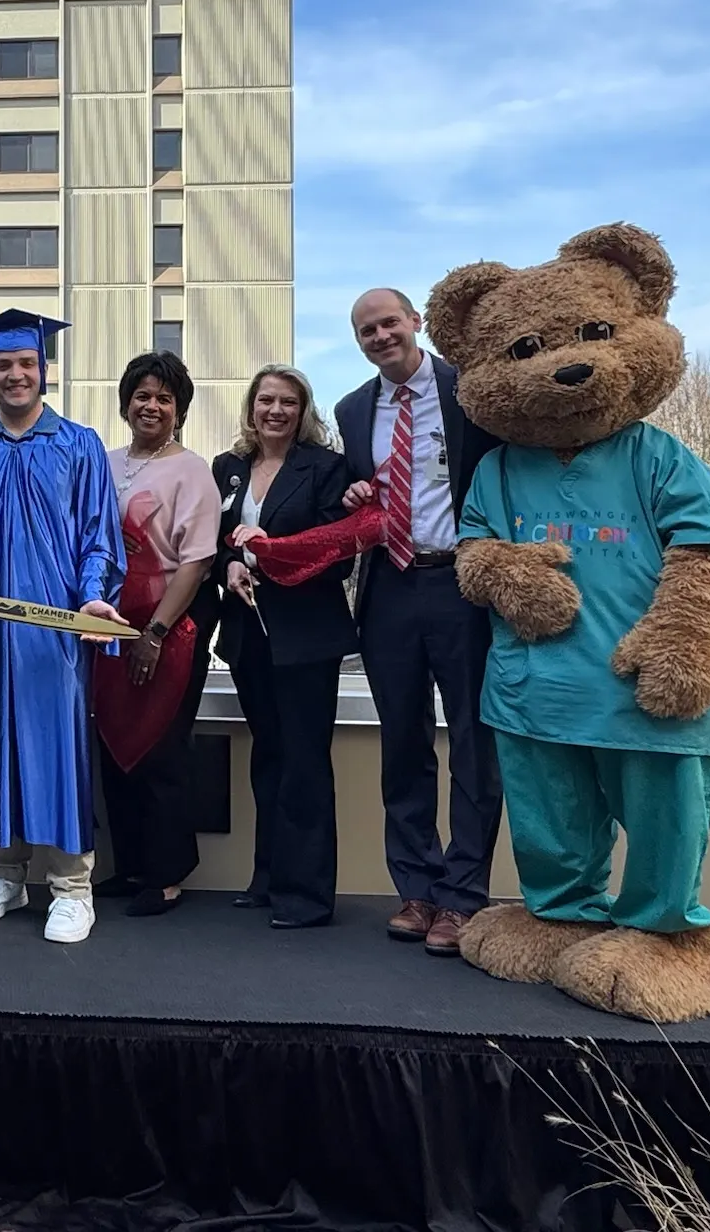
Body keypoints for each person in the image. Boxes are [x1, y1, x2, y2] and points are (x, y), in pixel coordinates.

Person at [0, 310, 126, 945]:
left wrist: (92, 600)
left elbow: (99, 539)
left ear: (44, 370)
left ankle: (72, 886)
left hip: (56, 634)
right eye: (2, 365)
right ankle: (6, 874)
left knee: (56, 749)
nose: (15, 375)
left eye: (25, 364)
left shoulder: (79, 445)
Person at [334, 288, 503, 954]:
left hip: (459, 586)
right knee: (402, 746)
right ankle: (417, 889)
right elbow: (356, 496)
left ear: (416, 324)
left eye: (388, 324)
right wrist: (354, 497)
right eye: (366, 330)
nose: (379, 337)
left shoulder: (469, 394)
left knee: (472, 746)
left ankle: (463, 897)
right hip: (389, 592)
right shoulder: (353, 410)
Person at [212, 364, 358, 930]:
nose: (276, 411)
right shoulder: (228, 470)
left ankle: (308, 895)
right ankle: (268, 877)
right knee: (269, 757)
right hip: (248, 636)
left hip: (306, 636)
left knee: (304, 763)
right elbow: (217, 541)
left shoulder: (326, 469)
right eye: (266, 400)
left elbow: (339, 554)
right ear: (251, 407)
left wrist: (271, 554)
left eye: (288, 403)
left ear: (303, 412)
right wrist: (230, 566)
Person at [92, 351, 221, 918]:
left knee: (162, 750)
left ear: (180, 410)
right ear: (126, 404)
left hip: (169, 626)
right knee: (115, 746)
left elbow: (195, 561)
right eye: (142, 396)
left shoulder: (191, 470)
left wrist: (156, 633)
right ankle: (132, 865)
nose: (152, 406)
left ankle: (166, 875)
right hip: (108, 626)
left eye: (164, 398)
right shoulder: (105, 461)